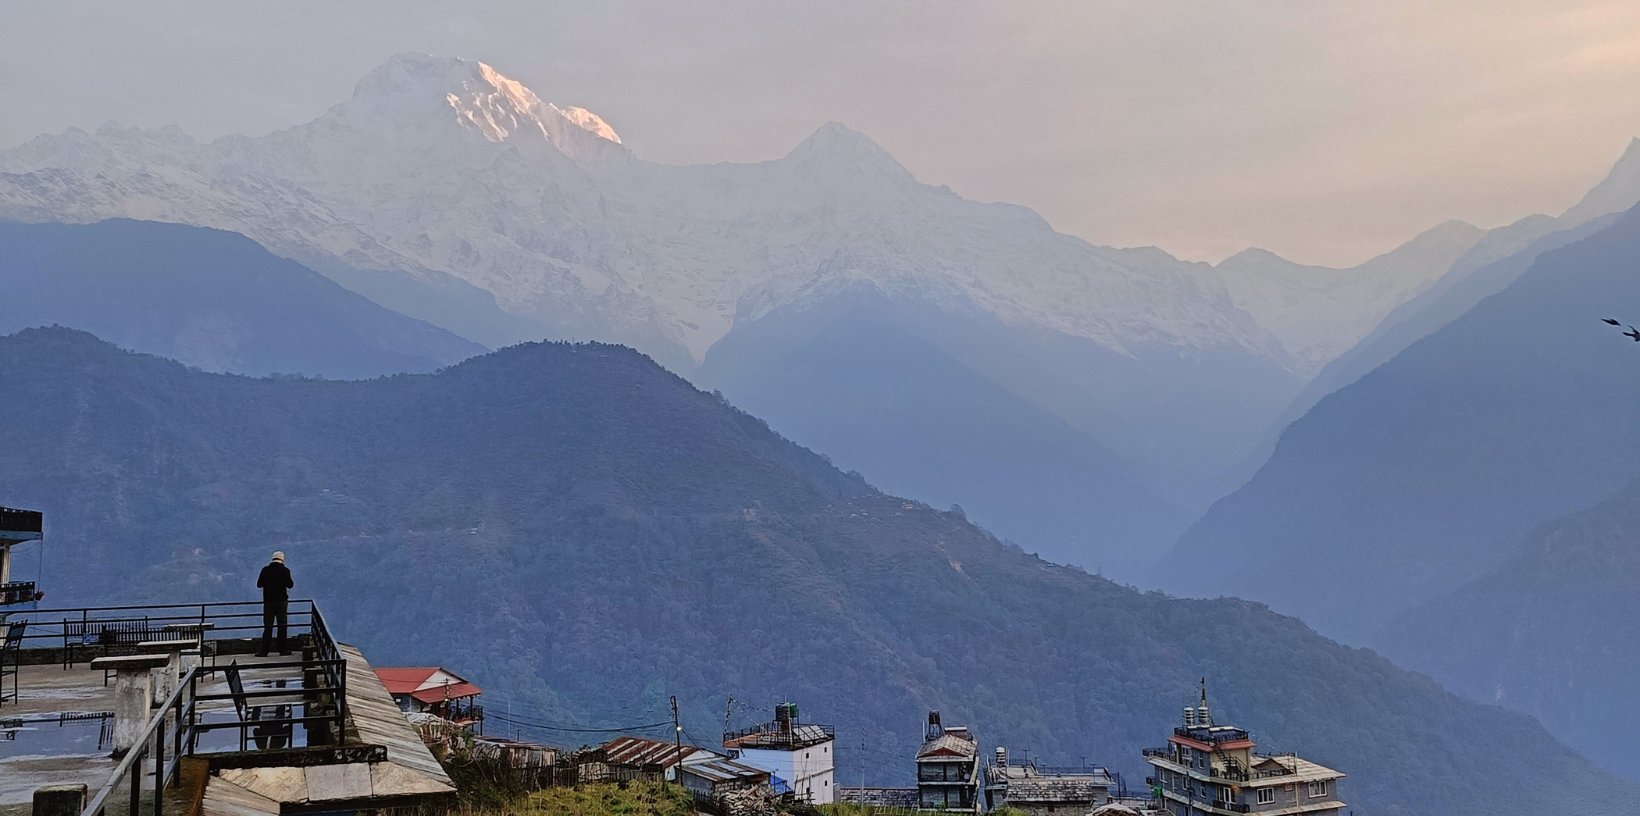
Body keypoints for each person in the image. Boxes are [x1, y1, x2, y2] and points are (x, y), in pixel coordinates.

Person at [256, 551, 294, 656]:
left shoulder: (265, 570)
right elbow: (290, 585)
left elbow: (259, 584)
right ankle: (282, 650)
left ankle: (264, 651)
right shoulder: (285, 571)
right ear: (282, 559)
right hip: (281, 602)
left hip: (268, 602)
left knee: (268, 626)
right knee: (282, 626)